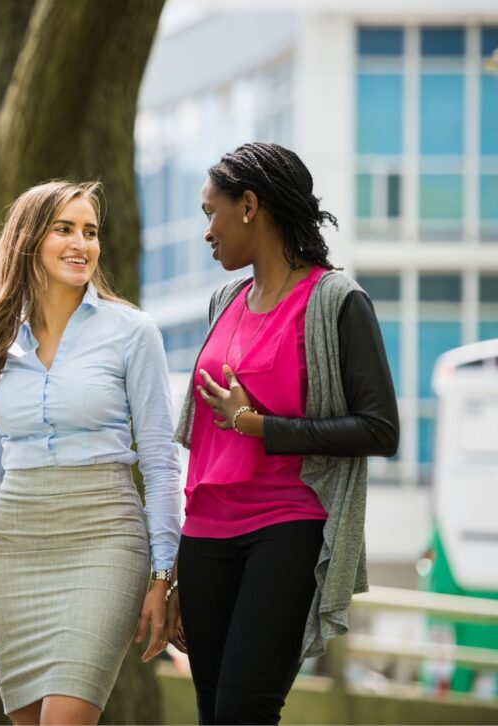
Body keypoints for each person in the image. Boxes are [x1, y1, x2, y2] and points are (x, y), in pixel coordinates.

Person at [168, 142, 400, 725]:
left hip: (286, 526)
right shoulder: (224, 300)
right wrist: (175, 566)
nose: (206, 232)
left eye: (209, 213)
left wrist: (261, 426)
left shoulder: (335, 301)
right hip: (206, 533)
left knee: (246, 709)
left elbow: (379, 427)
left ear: (249, 205)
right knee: (211, 711)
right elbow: (201, 440)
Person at [0, 180, 182, 725]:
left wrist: (163, 574)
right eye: (64, 229)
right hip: (15, 548)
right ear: (29, 241)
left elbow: (159, 462)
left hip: (104, 539)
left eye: (90, 232)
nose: (81, 243)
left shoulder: (133, 333)